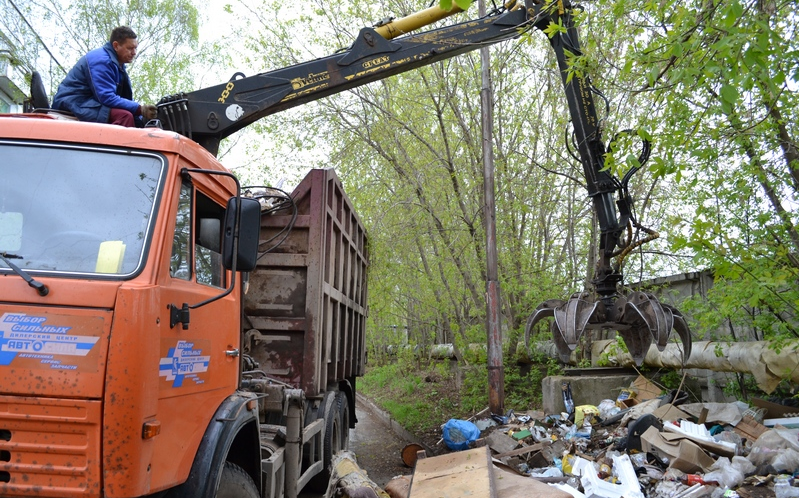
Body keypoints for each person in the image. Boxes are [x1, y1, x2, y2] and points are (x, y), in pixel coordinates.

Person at [52, 26, 157, 127]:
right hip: (73, 102)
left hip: (88, 102)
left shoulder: (118, 65)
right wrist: (139, 109)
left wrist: (140, 115)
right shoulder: (102, 61)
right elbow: (106, 97)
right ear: (116, 46)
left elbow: (124, 99)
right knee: (124, 117)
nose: (134, 53)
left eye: (135, 48)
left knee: (136, 119)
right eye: (130, 48)